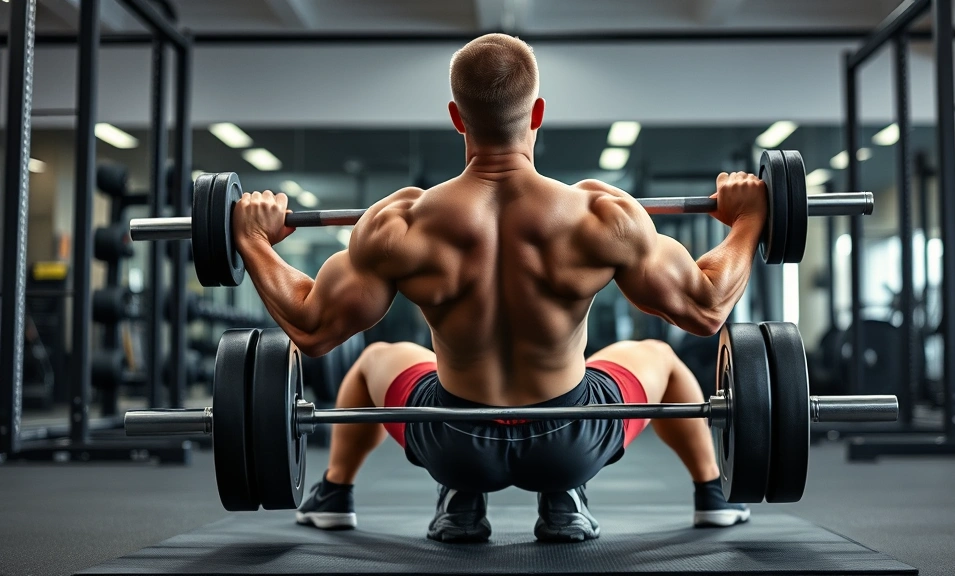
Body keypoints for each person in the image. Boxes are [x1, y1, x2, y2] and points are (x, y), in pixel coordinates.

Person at [232, 33, 767, 543]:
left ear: (456, 118)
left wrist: (254, 239)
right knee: (660, 358)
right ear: (537, 113)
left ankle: (340, 497)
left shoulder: (403, 222)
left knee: (378, 360)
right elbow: (706, 308)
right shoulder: (600, 215)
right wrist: (748, 220)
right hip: (571, 437)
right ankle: (706, 494)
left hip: (452, 440)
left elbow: (313, 327)